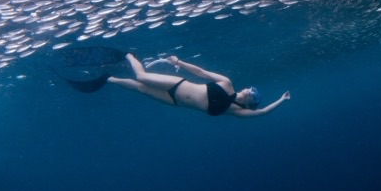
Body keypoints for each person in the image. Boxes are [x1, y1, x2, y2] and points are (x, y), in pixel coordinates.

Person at [106, 53, 290, 117]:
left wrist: (282, 99)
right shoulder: (227, 83)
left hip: (175, 101)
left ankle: (109, 79)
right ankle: (129, 55)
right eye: (251, 88)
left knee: (140, 88)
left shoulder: (236, 111)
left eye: (253, 93)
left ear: (251, 103)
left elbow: (263, 112)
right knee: (141, 76)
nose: (250, 90)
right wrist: (179, 62)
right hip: (179, 85)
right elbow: (201, 72)